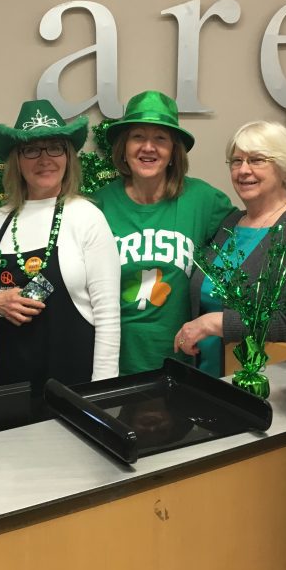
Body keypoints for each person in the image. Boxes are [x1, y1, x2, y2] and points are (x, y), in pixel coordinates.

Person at [0, 99, 120, 396]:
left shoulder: (87, 217)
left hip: (76, 382)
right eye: (31, 149)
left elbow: (108, 315)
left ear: (67, 156)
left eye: (55, 147)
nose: (44, 159)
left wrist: (103, 392)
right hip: (14, 382)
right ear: (17, 158)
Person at [94, 90, 235, 375]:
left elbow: (251, 236)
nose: (148, 147)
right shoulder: (98, 206)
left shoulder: (203, 201)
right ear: (123, 147)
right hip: (113, 363)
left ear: (173, 151)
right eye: (138, 137)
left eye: (160, 138)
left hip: (185, 363)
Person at [175, 121, 286, 377]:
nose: (243, 170)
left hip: (262, 386)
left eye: (257, 160)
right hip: (208, 375)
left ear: (285, 167)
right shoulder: (230, 223)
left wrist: (216, 323)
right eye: (236, 161)